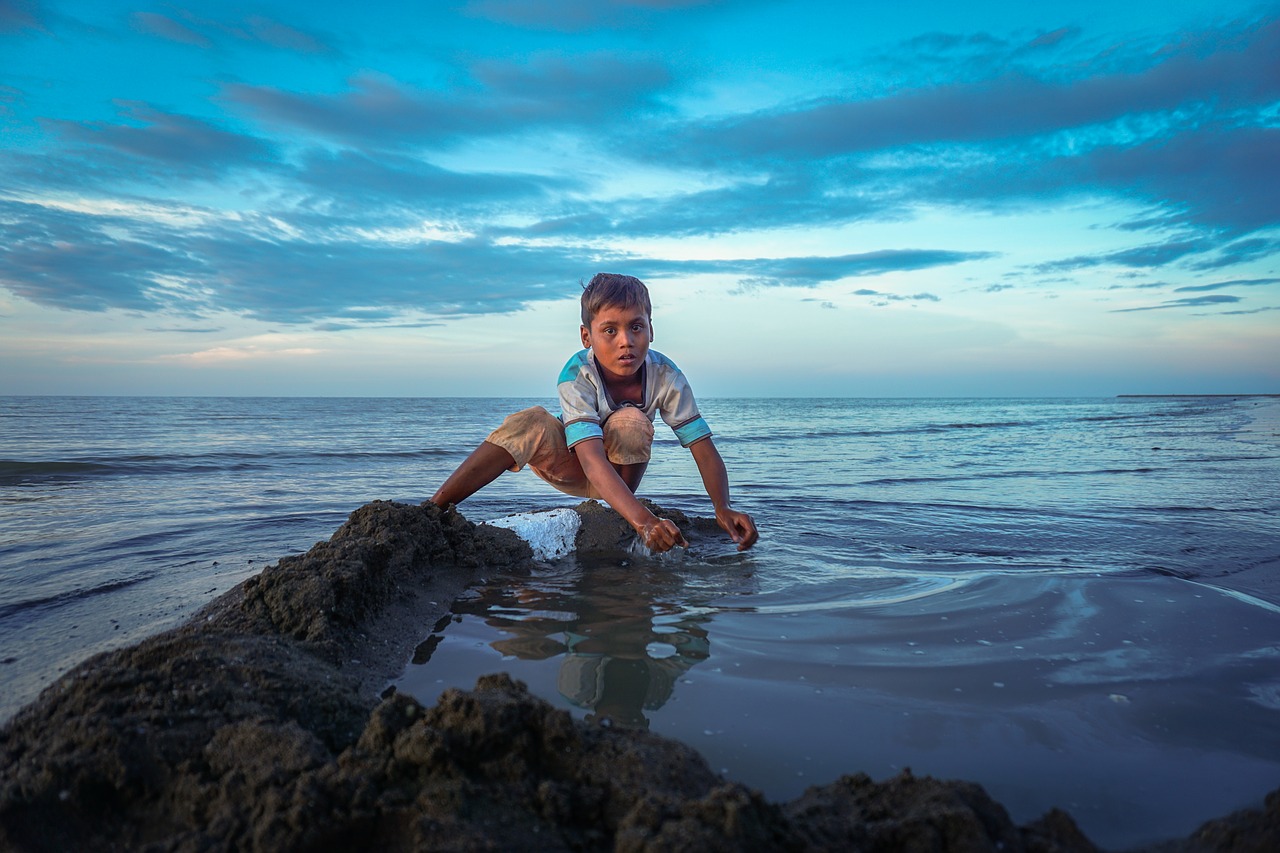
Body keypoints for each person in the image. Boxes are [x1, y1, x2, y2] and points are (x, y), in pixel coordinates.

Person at [430, 273, 758, 554]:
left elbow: (702, 446)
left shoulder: (665, 375)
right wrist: (645, 521)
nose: (626, 341)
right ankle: (434, 509)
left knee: (630, 421)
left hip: (620, 475)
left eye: (636, 327)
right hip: (573, 466)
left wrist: (722, 507)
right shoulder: (578, 374)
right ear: (587, 336)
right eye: (610, 330)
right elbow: (589, 458)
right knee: (530, 420)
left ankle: (615, 508)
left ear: (651, 331)